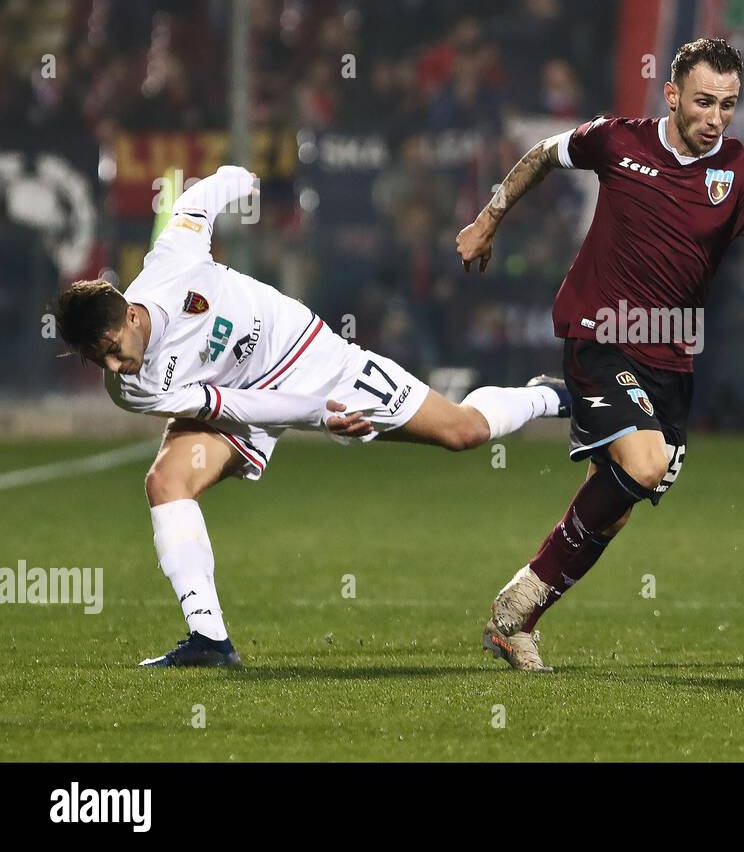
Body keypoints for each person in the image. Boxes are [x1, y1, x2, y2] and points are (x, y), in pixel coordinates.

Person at [54, 166, 568, 668]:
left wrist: (247, 180)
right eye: (99, 360)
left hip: (307, 357)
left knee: (464, 431)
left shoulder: (173, 262)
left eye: (113, 349)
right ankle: (208, 638)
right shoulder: (132, 386)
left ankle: (546, 396)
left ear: (130, 312)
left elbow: (201, 197)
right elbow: (236, 408)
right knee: (166, 482)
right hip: (236, 397)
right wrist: (319, 418)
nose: (115, 366)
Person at [456, 38, 744, 671]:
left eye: (728, 105)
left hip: (672, 355)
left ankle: (517, 623)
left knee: (609, 511)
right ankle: (514, 604)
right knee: (644, 464)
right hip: (600, 331)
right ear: (671, 96)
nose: (716, 118)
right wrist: (490, 218)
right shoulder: (619, 141)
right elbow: (541, 155)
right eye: (703, 103)